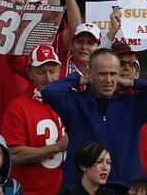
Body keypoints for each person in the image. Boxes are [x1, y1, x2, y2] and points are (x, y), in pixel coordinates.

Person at [41, 48, 147, 186]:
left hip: (124, 188)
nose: (108, 80)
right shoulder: (76, 102)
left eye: (113, 74)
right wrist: (78, 79)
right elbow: (50, 91)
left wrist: (133, 82)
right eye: (102, 74)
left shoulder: (132, 104)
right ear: (90, 73)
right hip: (80, 188)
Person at [0, 44, 67, 195]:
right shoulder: (18, 107)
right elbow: (14, 154)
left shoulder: (71, 101)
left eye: (52, 71)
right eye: (41, 72)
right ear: (29, 73)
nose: (48, 78)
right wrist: (56, 147)